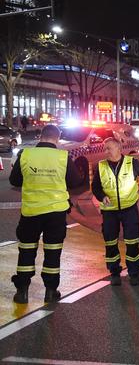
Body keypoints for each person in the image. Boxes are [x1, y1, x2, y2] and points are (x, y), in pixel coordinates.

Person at [9, 125, 82, 303]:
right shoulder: (63, 157)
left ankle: (22, 292)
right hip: (55, 213)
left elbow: (14, 180)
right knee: (53, 251)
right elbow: (74, 182)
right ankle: (50, 291)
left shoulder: (26, 154)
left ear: (41, 136)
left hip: (31, 211)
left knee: (26, 250)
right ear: (57, 138)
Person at [92, 137, 139, 286]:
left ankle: (133, 273)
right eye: (105, 149)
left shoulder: (132, 163)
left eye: (109, 148)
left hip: (129, 209)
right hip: (109, 211)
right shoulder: (100, 166)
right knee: (110, 242)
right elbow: (95, 187)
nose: (106, 151)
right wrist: (102, 196)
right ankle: (114, 272)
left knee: (132, 242)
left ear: (119, 148)